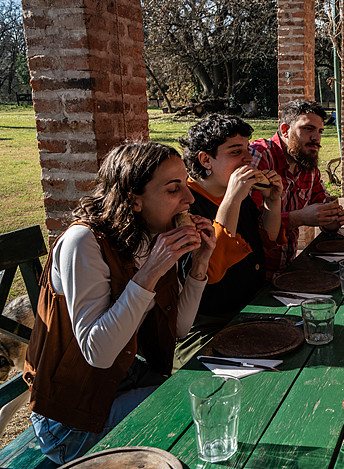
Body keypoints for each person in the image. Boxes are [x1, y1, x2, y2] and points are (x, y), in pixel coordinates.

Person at [23, 142, 216, 463]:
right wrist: (151, 271)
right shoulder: (82, 242)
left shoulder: (152, 234)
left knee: (212, 392)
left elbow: (179, 329)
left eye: (185, 184)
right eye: (173, 189)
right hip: (71, 422)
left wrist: (199, 265)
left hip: (122, 384)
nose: (190, 199)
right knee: (196, 409)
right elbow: (97, 354)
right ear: (133, 200)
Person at [173, 114, 284, 370]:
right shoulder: (185, 205)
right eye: (236, 152)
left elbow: (267, 241)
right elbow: (209, 271)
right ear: (205, 159)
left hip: (249, 310)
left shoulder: (238, 192)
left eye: (247, 150)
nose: (248, 158)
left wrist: (273, 201)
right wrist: (232, 199)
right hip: (204, 326)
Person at [249, 99, 344, 275]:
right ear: (285, 130)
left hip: (287, 270)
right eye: (308, 129)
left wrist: (331, 218)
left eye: (320, 131)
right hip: (253, 275)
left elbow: (322, 205)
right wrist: (299, 218)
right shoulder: (260, 155)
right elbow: (248, 226)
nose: (316, 138)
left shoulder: (307, 163)